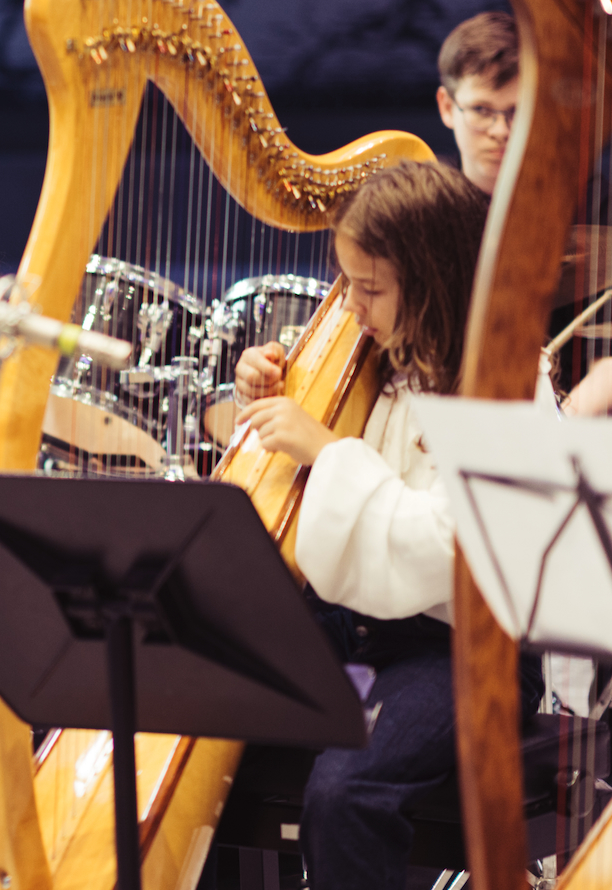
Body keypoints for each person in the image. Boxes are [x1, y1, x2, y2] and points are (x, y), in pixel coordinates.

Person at [231, 158, 543, 889]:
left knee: (345, 792)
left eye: (369, 291)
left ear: (434, 280)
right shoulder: (373, 357)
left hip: (470, 648)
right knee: (187, 686)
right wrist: (271, 385)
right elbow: (297, 490)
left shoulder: (508, 385)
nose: (352, 309)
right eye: (348, 286)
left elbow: (447, 548)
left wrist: (329, 450)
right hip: (359, 621)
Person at [436, 10, 612, 416]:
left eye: (516, 110)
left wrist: (555, 427)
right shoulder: (429, 208)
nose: (501, 130)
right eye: (481, 110)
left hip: (570, 431)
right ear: (447, 107)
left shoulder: (594, 202)